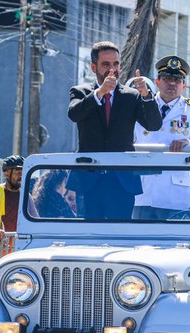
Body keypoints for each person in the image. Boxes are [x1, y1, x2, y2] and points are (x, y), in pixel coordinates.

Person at [67, 41, 162, 219]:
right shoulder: (81, 92)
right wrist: (100, 93)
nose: (112, 69)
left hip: (121, 181)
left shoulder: (131, 96)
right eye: (106, 64)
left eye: (116, 64)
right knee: (88, 237)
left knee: (120, 235)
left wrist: (146, 96)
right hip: (89, 180)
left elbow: (154, 124)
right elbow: (74, 114)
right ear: (94, 67)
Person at [130, 55, 190, 219]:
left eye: (177, 80)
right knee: (140, 242)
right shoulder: (141, 105)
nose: (172, 84)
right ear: (157, 82)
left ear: (184, 85)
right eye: (167, 79)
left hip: (176, 193)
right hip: (144, 190)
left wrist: (188, 142)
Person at [1, 155, 24, 232]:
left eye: (23, 173)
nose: (21, 176)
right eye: (18, 173)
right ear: (6, 173)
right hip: (0, 242)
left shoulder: (26, 196)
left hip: (20, 242)